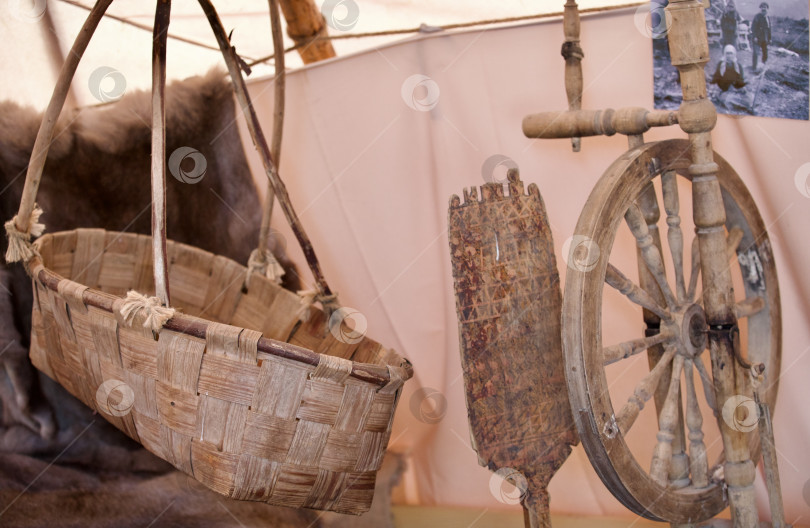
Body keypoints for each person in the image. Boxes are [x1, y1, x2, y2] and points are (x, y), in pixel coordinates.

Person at [751, 2, 772, 70]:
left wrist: (770, 38)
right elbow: (753, 27)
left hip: (764, 39)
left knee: (765, 53)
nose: (764, 9)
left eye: (765, 8)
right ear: (760, 9)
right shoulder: (757, 17)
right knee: (756, 53)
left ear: (767, 9)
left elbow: (769, 29)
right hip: (757, 38)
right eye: (762, 7)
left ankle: (763, 65)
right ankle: (754, 67)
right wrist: (754, 36)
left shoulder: (768, 18)